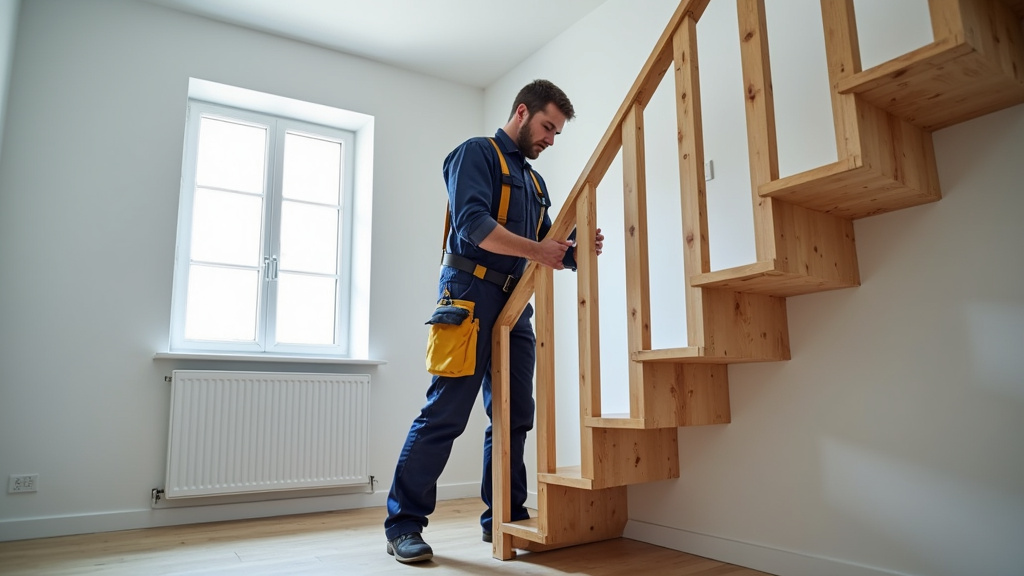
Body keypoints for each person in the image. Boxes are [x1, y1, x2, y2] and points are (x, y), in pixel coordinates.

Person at [384, 79, 604, 563]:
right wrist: (541, 251)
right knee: (445, 413)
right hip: (468, 294)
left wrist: (574, 252)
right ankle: (403, 524)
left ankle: (504, 516)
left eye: (557, 132)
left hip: (514, 302)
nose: (551, 138)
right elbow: (474, 225)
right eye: (547, 126)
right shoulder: (475, 154)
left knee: (515, 415)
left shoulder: (534, 183)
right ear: (522, 112)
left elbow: (545, 246)